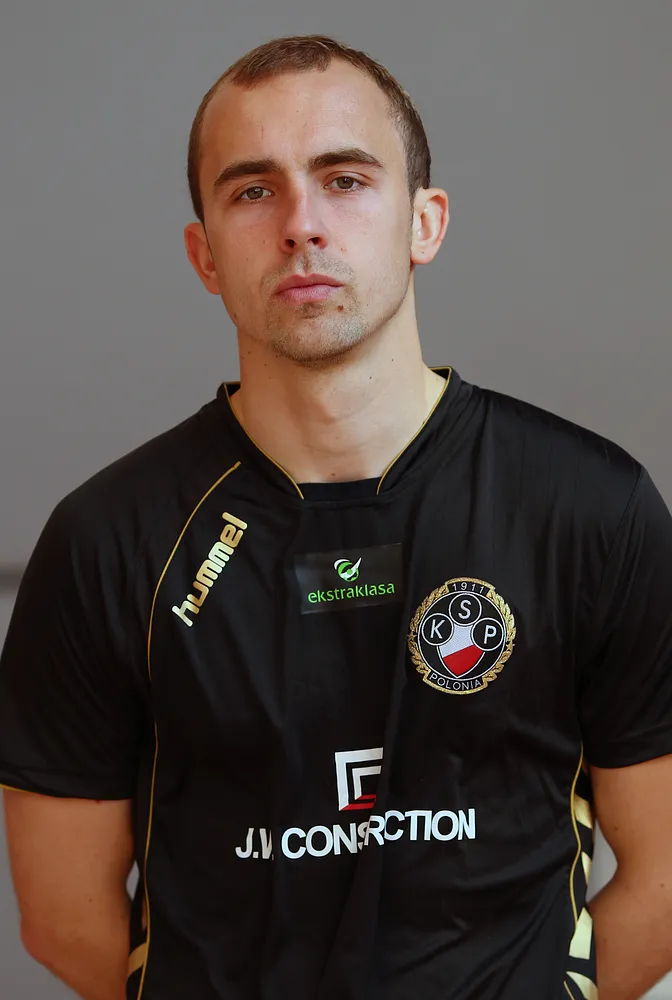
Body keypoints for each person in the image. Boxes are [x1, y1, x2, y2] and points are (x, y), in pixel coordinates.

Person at [1, 32, 671, 1000]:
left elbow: (664, 875)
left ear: (424, 222)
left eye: (345, 180)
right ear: (204, 254)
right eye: (252, 190)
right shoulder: (105, 541)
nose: (301, 225)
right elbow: (65, 917)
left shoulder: (591, 507)